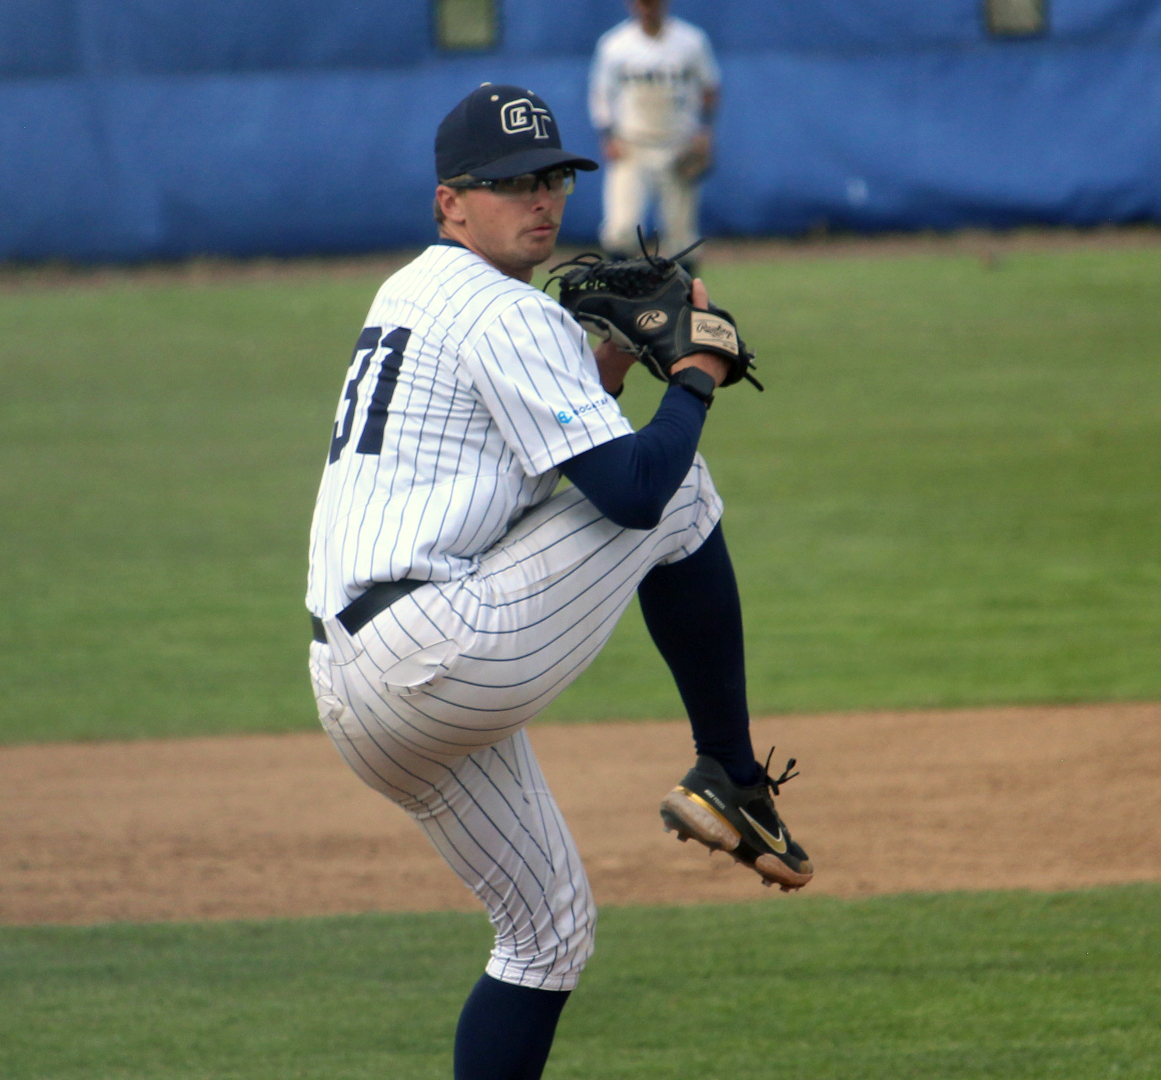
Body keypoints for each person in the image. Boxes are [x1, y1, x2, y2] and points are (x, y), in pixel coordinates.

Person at [305, 83, 809, 1080]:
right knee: (683, 492)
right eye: (509, 184)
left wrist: (610, 363)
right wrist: (696, 375)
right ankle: (732, 778)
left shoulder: (411, 292)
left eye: (552, 179)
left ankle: (732, 781)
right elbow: (631, 493)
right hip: (441, 651)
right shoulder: (506, 315)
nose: (540, 199)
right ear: (452, 201)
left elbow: (521, 475)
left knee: (547, 931)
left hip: (356, 689)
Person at [589, 0, 721, 266]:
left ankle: (685, 302)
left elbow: (709, 89)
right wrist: (608, 135)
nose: (648, 6)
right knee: (621, 229)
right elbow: (601, 94)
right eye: (643, 2)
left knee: (681, 236)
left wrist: (704, 133)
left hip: (678, 144)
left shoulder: (691, 41)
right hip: (632, 144)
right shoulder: (615, 43)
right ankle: (619, 298)